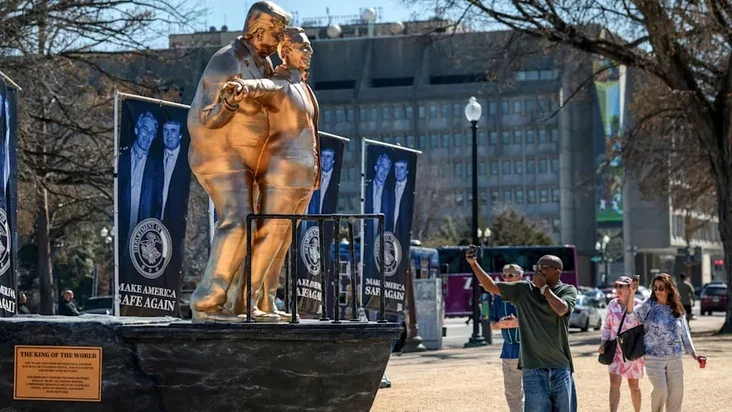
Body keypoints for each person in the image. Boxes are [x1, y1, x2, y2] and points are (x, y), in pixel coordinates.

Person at [187, 1, 290, 322]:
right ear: (258, 31)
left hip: (251, 159)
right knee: (238, 220)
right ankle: (206, 303)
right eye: (277, 34)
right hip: (220, 156)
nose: (281, 41)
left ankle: (240, 302)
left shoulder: (264, 63)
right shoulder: (226, 60)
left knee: (259, 225)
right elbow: (206, 118)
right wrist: (229, 104)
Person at [230, 26, 321, 321]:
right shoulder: (280, 84)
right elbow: (262, 87)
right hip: (281, 174)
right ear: (286, 51)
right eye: (303, 47)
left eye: (309, 47)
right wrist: (243, 87)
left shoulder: (304, 88)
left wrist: (316, 171)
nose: (309, 52)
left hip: (305, 176)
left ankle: (268, 300)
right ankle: (247, 301)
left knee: (284, 241)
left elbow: (312, 134)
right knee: (269, 235)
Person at [466, 247, 577, 412]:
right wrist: (473, 263)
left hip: (560, 367)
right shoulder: (524, 290)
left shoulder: (567, 290)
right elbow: (490, 286)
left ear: (557, 272)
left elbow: (562, 309)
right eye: (536, 268)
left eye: (543, 268)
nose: (538, 272)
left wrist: (544, 289)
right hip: (533, 368)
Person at [626, 273, 704, 412]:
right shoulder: (648, 304)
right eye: (655, 288)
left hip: (675, 357)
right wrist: (632, 293)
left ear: (669, 289)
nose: (657, 291)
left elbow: (684, 333)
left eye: (661, 288)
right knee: (661, 389)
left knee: (676, 394)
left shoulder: (676, 307)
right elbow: (631, 314)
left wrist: (694, 354)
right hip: (653, 357)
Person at [598, 276, 644, 412]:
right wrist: (603, 342)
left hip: (632, 350)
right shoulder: (612, 304)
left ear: (630, 288)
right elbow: (607, 326)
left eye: (621, 286)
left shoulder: (639, 305)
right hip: (615, 349)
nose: (618, 289)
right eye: (616, 286)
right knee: (614, 384)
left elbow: (633, 320)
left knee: (634, 386)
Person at [489, 264, 524, 412]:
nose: (506, 279)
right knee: (512, 392)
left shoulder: (529, 294)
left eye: (510, 275)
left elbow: (541, 320)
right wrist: (500, 324)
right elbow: (493, 324)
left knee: (536, 391)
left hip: (531, 349)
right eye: (504, 276)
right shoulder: (498, 297)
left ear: (520, 276)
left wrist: (518, 322)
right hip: (509, 351)